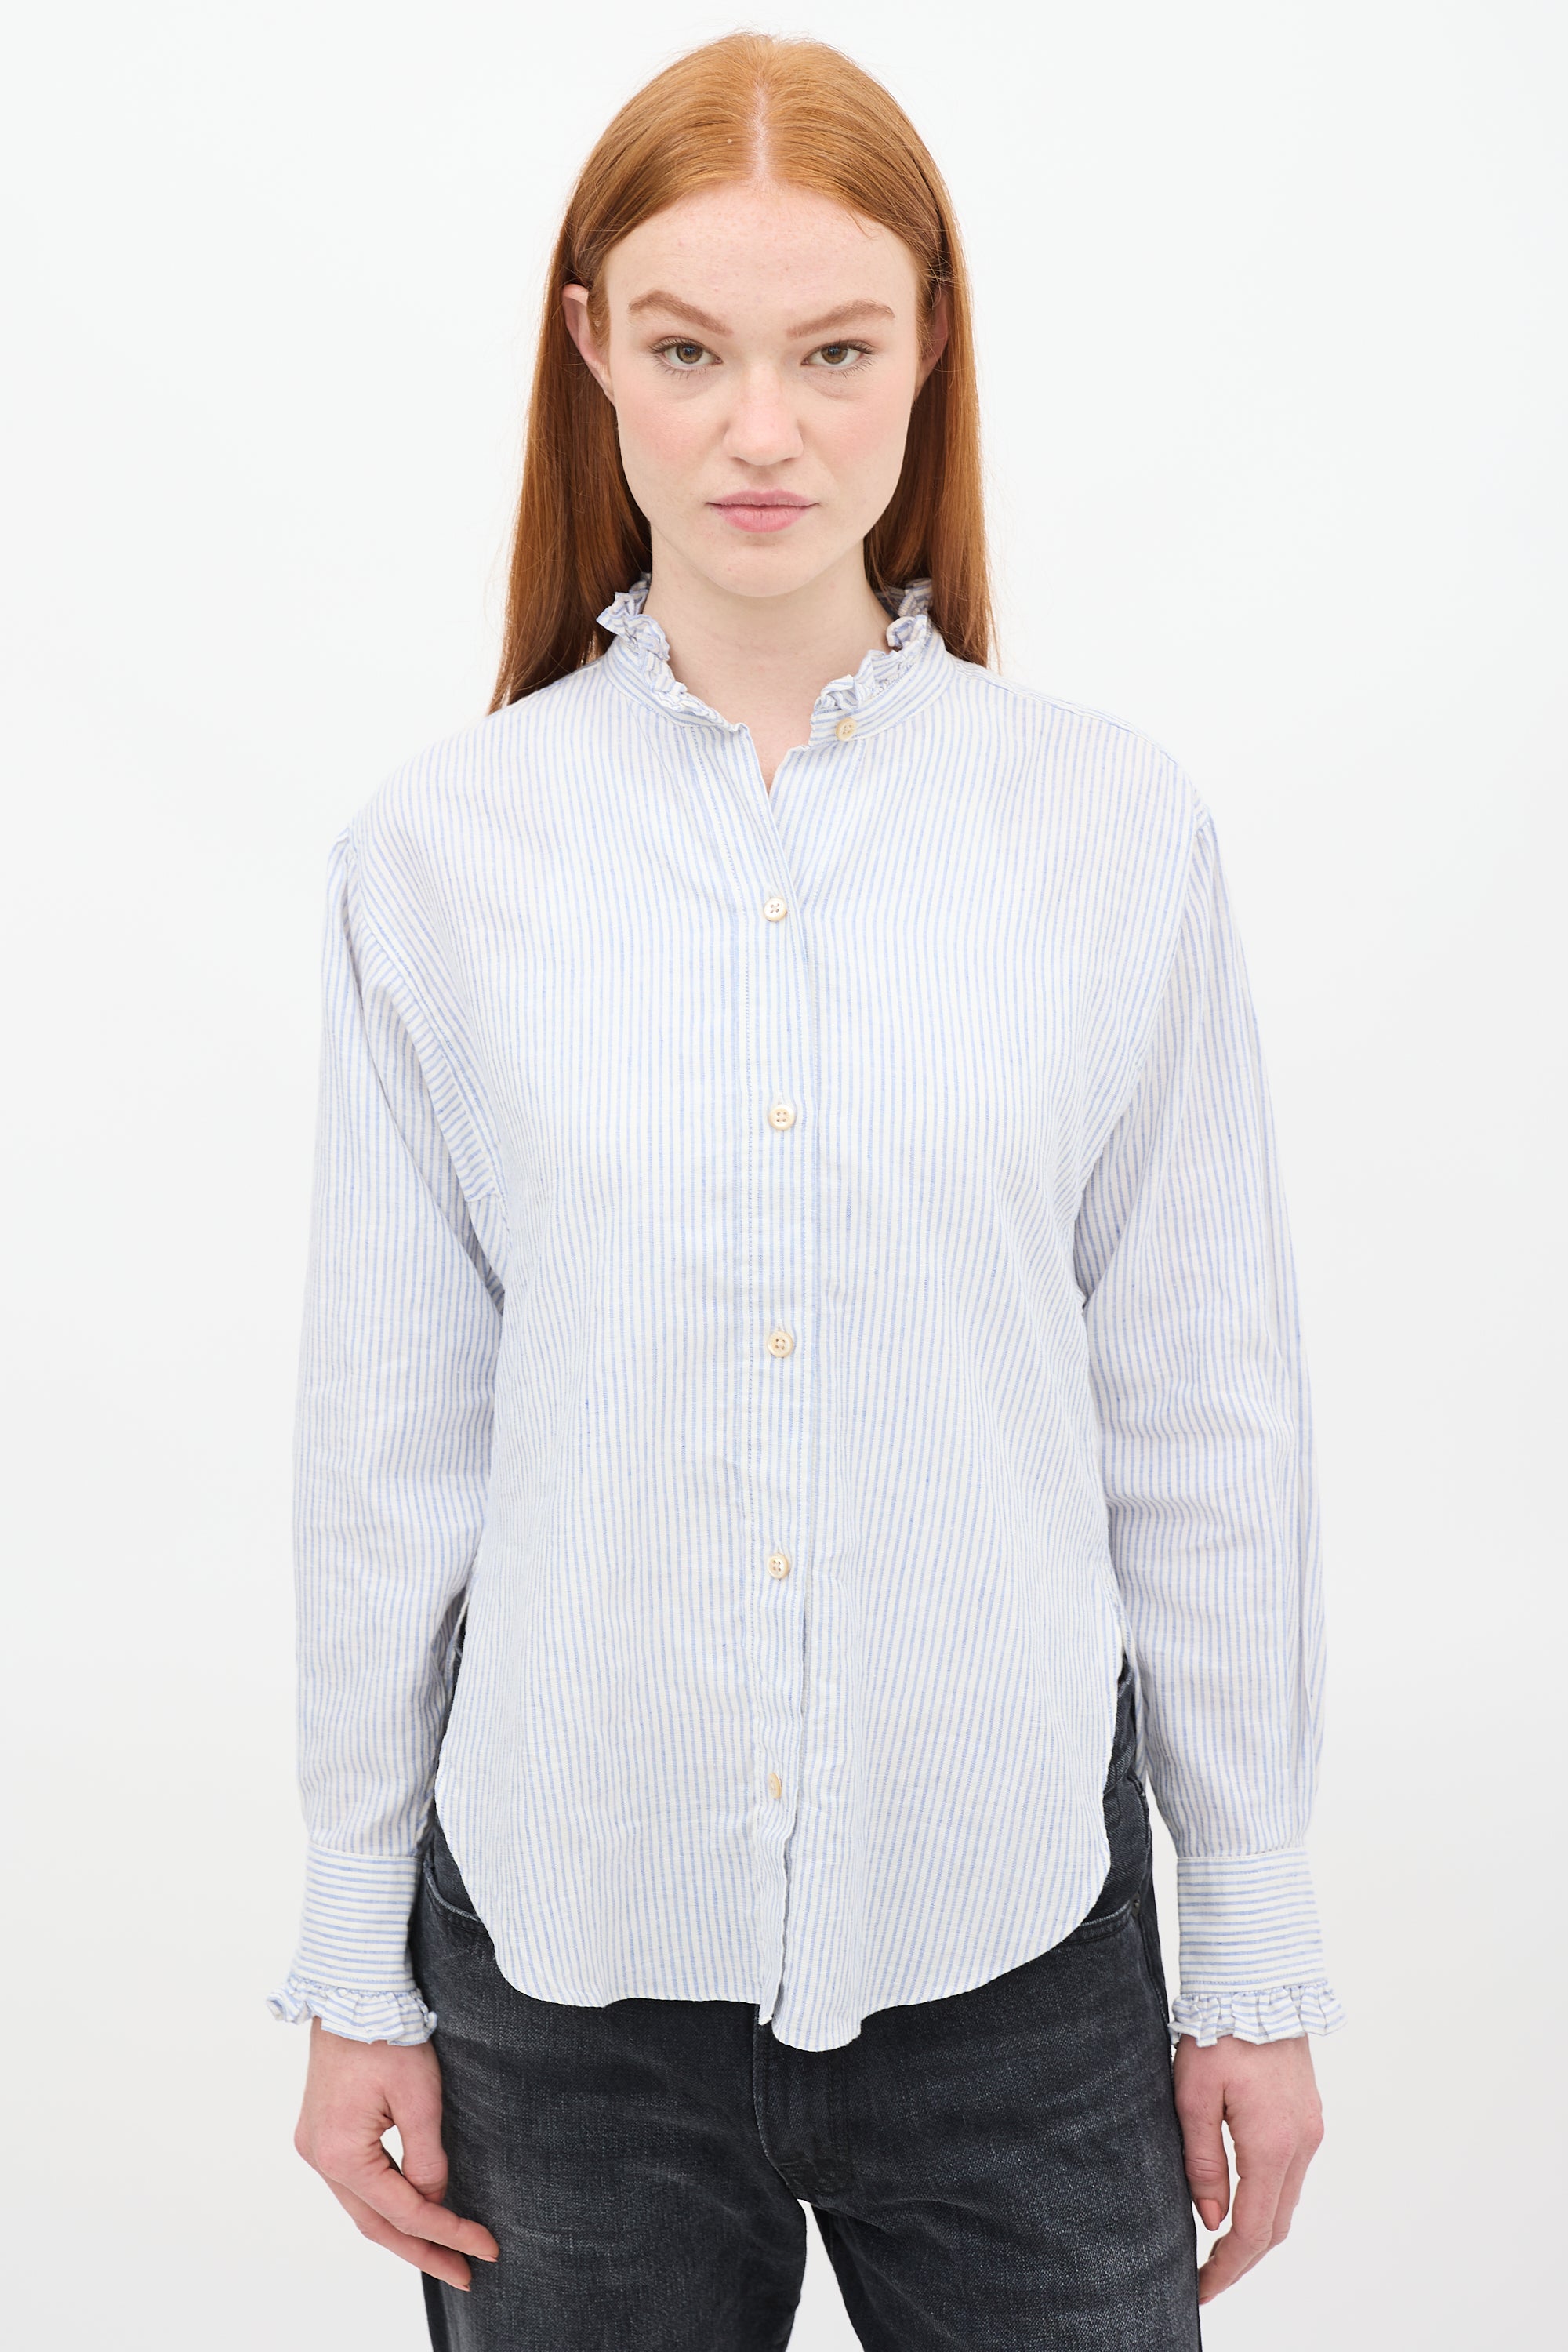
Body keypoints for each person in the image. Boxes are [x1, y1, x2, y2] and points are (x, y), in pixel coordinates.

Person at [271, 31, 1343, 2349]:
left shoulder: (1111, 833)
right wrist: (358, 1964)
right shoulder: (439, 858)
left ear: (929, 346)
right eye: (691, 352)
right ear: (592, 351)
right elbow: (392, 1453)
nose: (762, 428)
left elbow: (1202, 1420)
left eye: (834, 351)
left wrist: (1248, 1953)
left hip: (1017, 1963)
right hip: (563, 1983)